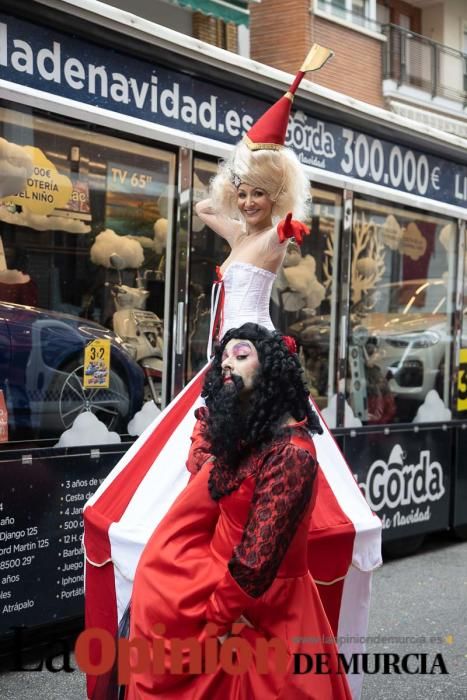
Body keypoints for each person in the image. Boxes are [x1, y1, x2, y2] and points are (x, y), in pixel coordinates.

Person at [83, 45, 381, 700]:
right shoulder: (239, 230)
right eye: (242, 192)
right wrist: (237, 163)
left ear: (274, 199)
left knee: (259, 469)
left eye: (257, 195)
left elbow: (290, 226)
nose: (246, 202)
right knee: (205, 458)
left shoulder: (272, 235)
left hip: (249, 353)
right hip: (224, 358)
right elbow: (208, 208)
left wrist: (286, 212)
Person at [125, 323, 352, 699]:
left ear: (272, 371)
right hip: (226, 594)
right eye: (224, 357)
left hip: (263, 612)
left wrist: (213, 624)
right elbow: (204, 469)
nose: (227, 363)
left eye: (241, 355)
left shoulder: (292, 454)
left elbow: (256, 560)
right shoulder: (251, 439)